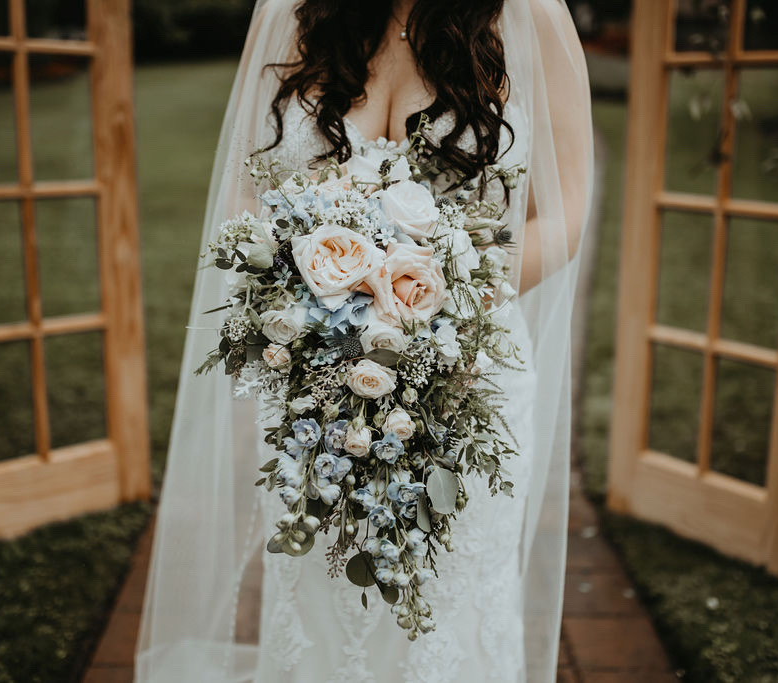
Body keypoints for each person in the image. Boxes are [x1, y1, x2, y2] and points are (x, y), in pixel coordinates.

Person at [135, 0, 593, 680]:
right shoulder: (298, 13)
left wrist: (443, 294)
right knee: (319, 602)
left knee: (446, 605)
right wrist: (305, 292)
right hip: (313, 375)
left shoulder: (530, 15)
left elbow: (565, 214)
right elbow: (242, 191)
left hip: (470, 379)